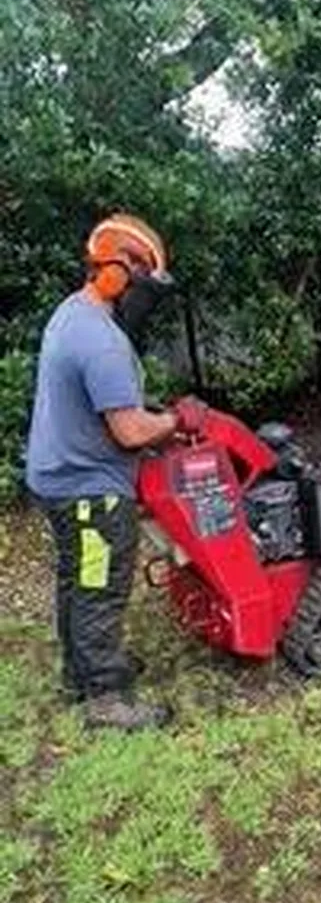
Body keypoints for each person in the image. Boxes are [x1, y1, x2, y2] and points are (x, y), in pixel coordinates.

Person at [25, 214, 206, 731]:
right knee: (100, 585)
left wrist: (152, 415)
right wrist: (176, 420)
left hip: (56, 476)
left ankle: (79, 674)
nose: (141, 297)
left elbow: (102, 404)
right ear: (117, 271)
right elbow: (127, 431)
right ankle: (105, 699)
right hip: (89, 490)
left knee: (76, 580)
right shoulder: (101, 340)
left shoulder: (72, 313)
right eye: (141, 281)